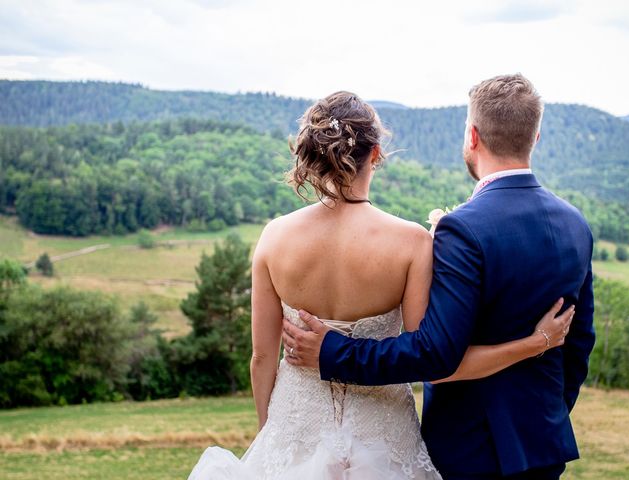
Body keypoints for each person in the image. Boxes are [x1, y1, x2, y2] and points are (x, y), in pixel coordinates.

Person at [187, 90, 574, 480]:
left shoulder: (274, 237)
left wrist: (269, 435)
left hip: (294, 425)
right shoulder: (411, 242)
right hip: (383, 435)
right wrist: (534, 344)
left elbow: (262, 358)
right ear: (375, 155)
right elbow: (430, 357)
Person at [283, 76, 596, 480]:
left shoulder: (464, 229)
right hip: (543, 446)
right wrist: (546, 415)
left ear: (473, 136)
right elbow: (579, 343)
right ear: (535, 137)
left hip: (470, 448)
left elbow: (434, 354)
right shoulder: (576, 224)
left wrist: (333, 352)